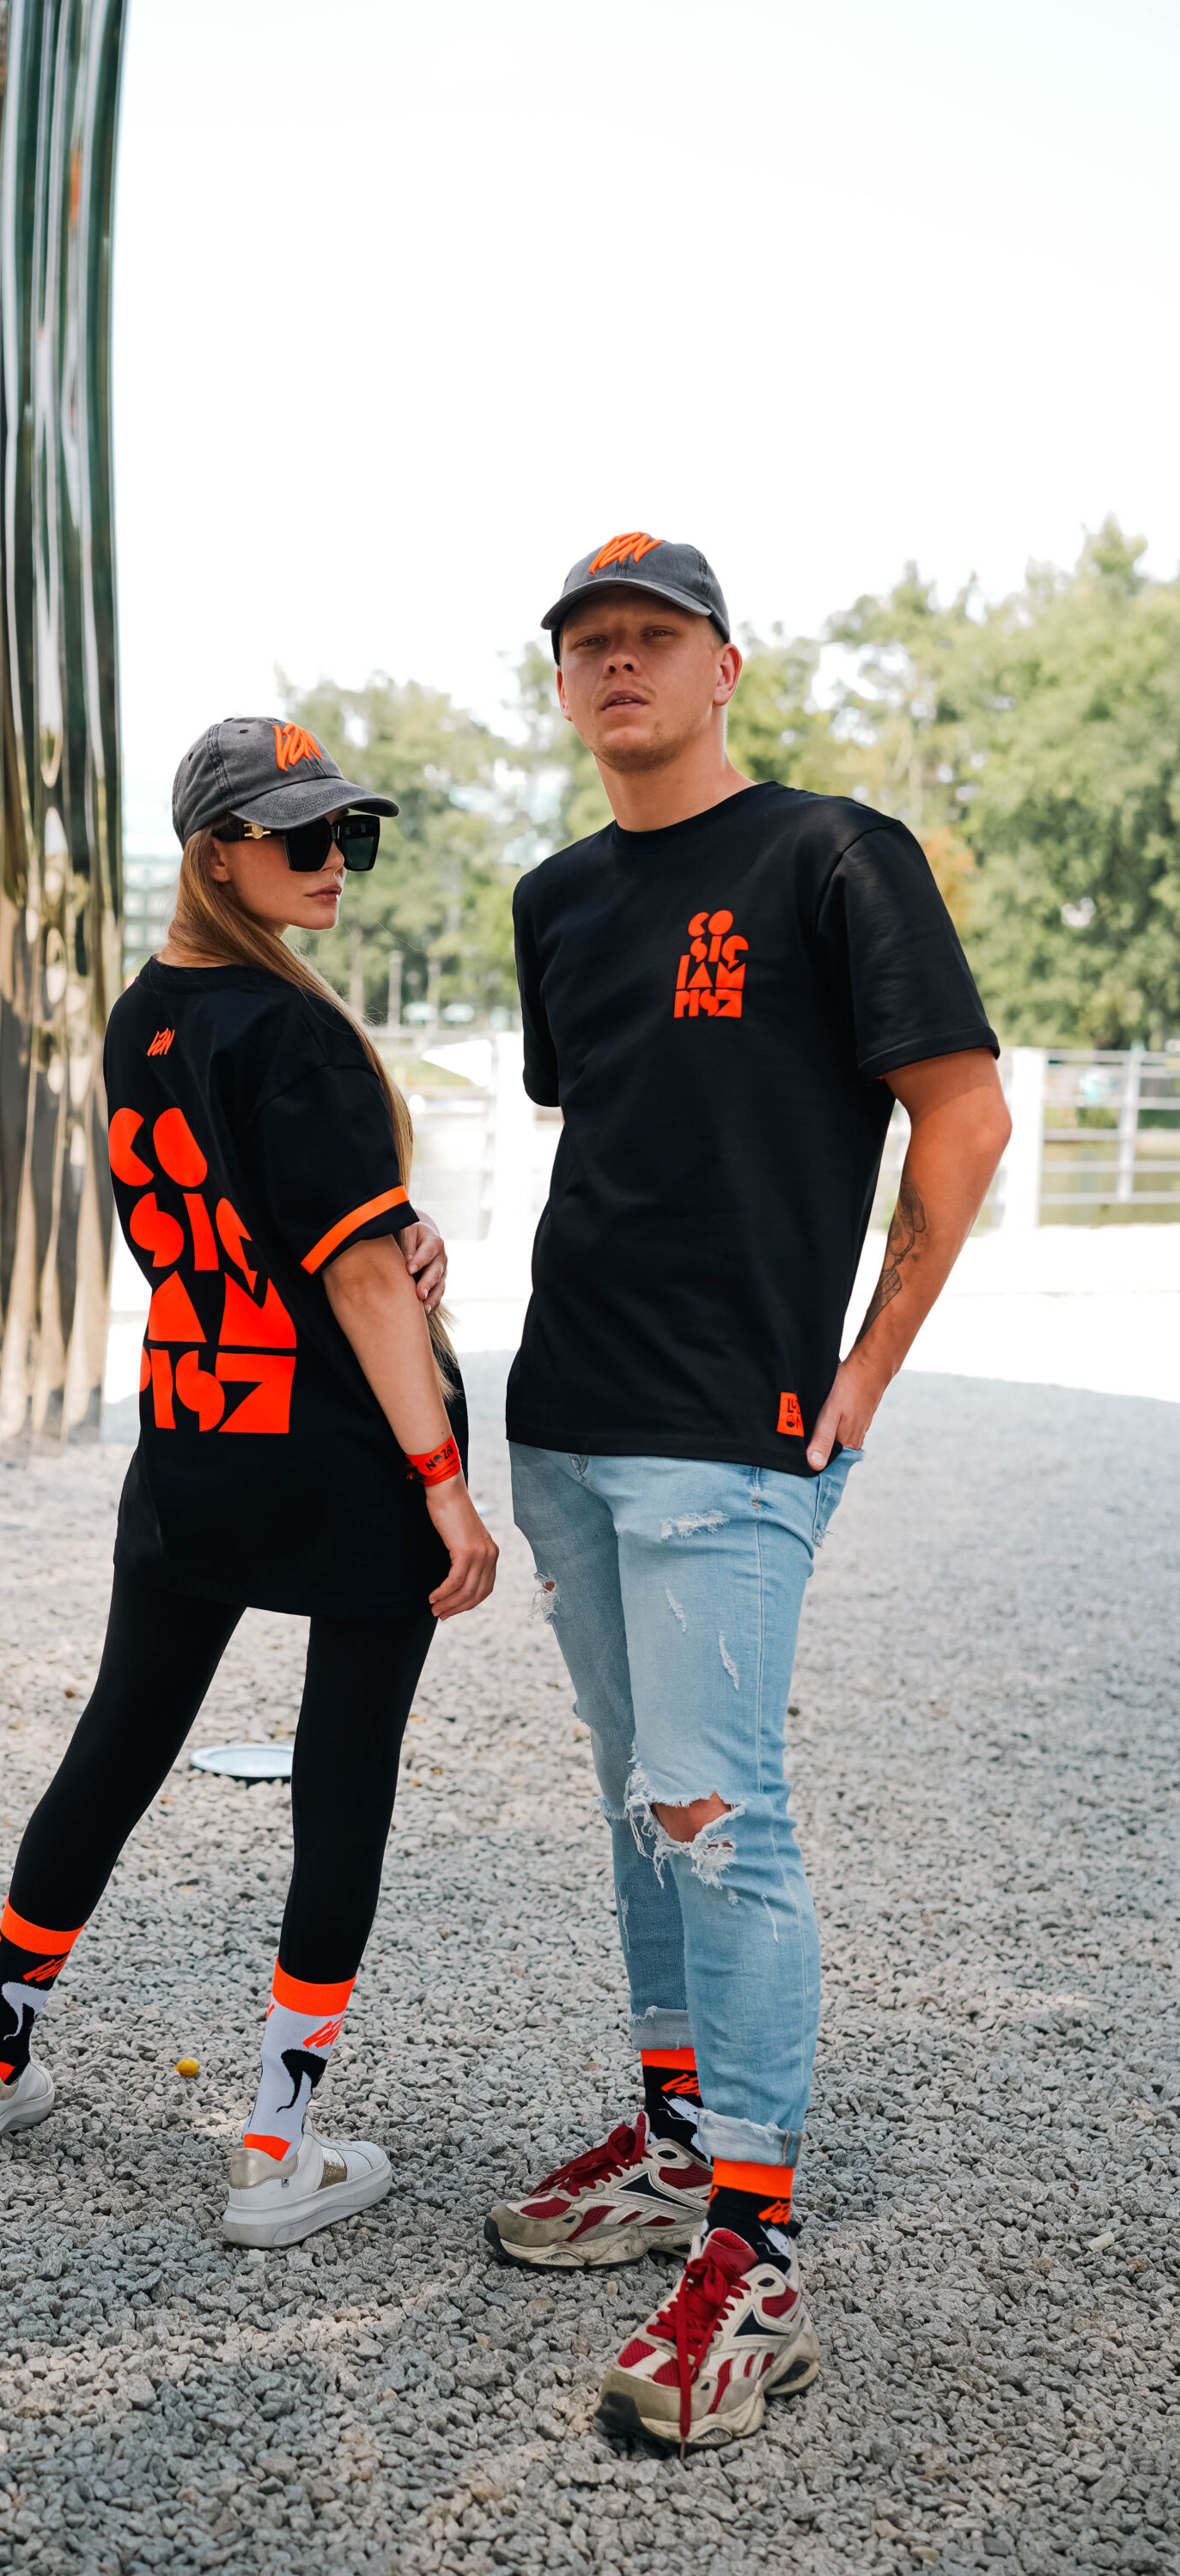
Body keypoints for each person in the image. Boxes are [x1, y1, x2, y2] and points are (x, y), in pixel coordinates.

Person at [485, 534, 1010, 2447]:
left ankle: (757, 2256)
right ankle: (674, 2137)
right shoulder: (556, 897)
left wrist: (866, 1369)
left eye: (654, 638)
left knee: (722, 1816)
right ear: (563, 685)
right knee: (643, 1802)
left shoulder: (830, 858)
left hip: (733, 1425)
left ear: (724, 667)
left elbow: (962, 1111)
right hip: (566, 1415)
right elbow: (617, 1126)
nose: (617, 665)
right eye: (587, 646)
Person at [0, 715, 497, 2246]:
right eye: (302, 836)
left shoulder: (144, 1016)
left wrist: (389, 1233)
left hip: (195, 1434)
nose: (335, 862)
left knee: (117, 1743)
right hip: (341, 1457)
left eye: (347, 836)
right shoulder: (295, 1030)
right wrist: (443, 1480)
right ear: (216, 855)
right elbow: (360, 1288)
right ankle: (275, 2149)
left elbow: (284, 1231)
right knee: (343, 1778)